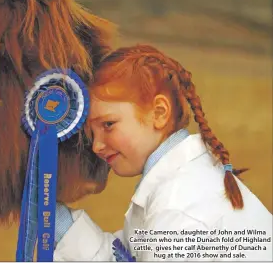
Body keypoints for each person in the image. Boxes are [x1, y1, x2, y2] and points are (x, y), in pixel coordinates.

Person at [52, 44, 273, 261]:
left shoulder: (177, 206)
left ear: (159, 114)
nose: (96, 146)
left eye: (108, 124)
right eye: (92, 133)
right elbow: (123, 258)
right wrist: (56, 220)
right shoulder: (180, 184)